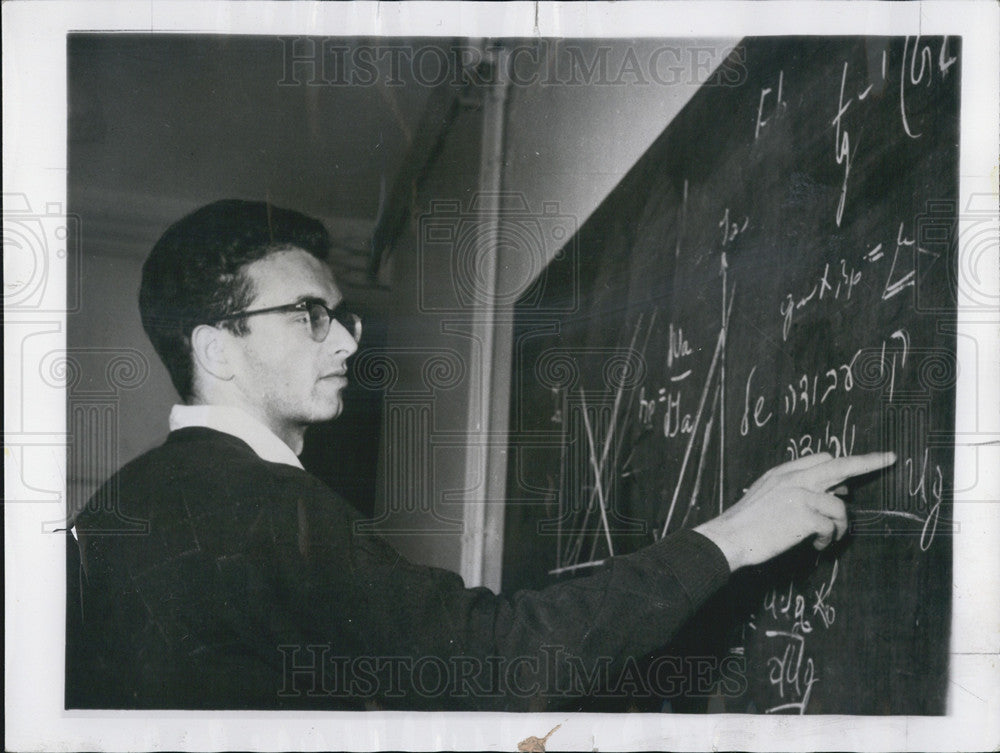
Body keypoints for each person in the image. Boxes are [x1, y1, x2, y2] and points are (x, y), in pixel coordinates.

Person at [66, 199, 895, 711]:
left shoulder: (117, 507)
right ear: (217, 348)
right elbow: (499, 664)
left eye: (343, 314)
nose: (348, 340)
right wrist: (737, 535)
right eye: (311, 314)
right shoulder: (260, 504)